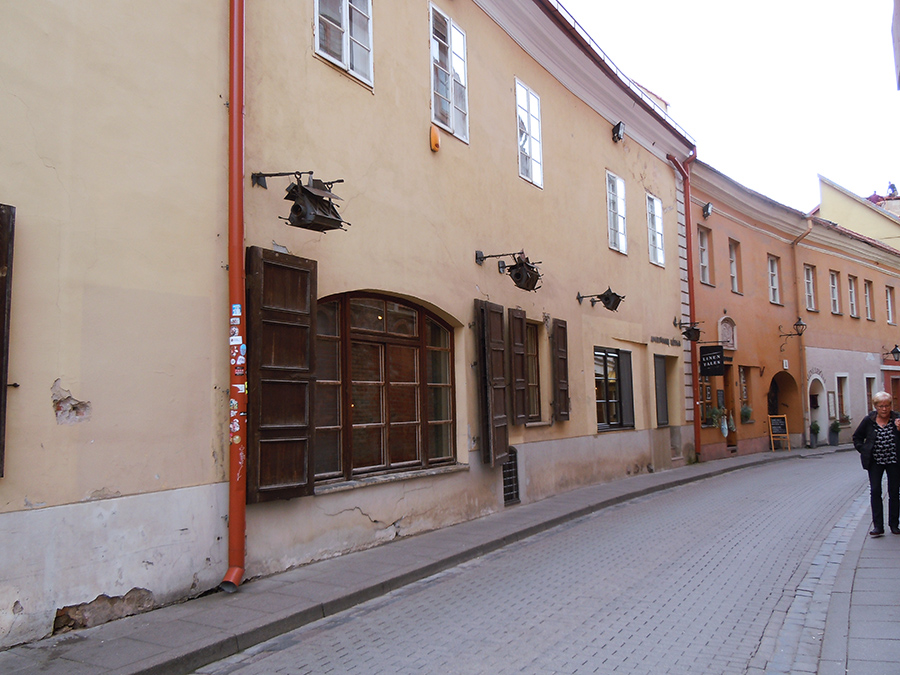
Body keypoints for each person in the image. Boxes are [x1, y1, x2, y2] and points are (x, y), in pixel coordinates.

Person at [852, 391, 900, 537]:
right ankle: (878, 526)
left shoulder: (897, 419)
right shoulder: (869, 420)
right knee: (875, 491)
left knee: (894, 493)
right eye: (881, 406)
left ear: (891, 406)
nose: (884, 409)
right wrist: (864, 450)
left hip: (894, 461)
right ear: (875, 407)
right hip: (875, 462)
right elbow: (857, 437)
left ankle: (894, 524)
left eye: (887, 406)